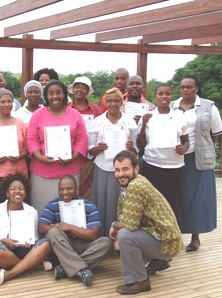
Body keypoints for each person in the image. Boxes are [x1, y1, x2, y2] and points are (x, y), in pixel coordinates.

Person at [110, 150, 183, 294]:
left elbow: (129, 225)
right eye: (117, 170)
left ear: (136, 168)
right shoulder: (134, 181)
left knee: (125, 235)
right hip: (161, 236)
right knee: (123, 236)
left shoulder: (136, 186)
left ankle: (140, 281)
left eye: (125, 169)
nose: (120, 174)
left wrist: (114, 227)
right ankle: (157, 261)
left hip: (167, 242)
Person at [170, 75, 222, 252]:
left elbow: (215, 134)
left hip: (198, 161)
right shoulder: (172, 107)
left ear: (196, 89)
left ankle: (195, 238)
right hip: (176, 160)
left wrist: (203, 149)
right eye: (182, 87)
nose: (185, 90)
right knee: (178, 198)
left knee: (198, 200)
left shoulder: (209, 107)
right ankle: (174, 236)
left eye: (189, 87)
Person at [26, 80, 88, 214]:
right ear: (46, 96)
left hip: (69, 169)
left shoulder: (75, 114)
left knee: (68, 210)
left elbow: (82, 139)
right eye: (51, 93)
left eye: (59, 93)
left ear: (64, 94)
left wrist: (73, 157)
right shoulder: (38, 114)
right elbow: (31, 139)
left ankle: (67, 233)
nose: (55, 96)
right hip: (42, 171)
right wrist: (39, 157)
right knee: (42, 208)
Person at [39, 175, 112, 286]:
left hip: (84, 245)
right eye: (61, 189)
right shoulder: (52, 205)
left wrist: (70, 227)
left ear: (76, 189)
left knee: (106, 243)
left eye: (69, 189)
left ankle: (65, 268)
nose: (65, 192)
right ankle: (81, 270)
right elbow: (41, 227)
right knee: (53, 232)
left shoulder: (89, 206)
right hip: (63, 245)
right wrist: (61, 229)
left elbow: (93, 234)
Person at [137, 83, 189, 227]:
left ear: (172, 96)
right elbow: (140, 145)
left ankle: (172, 235)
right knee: (154, 202)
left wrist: (183, 149)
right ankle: (155, 236)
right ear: (155, 96)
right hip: (153, 165)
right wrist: (143, 125)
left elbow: (186, 141)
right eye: (161, 94)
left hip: (175, 166)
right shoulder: (148, 116)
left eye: (167, 94)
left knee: (174, 202)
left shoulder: (179, 116)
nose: (164, 97)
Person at [88, 88, 138, 236]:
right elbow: (90, 149)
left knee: (122, 203)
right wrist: (99, 147)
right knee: (103, 202)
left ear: (121, 102)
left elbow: (136, 149)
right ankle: (103, 236)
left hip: (125, 170)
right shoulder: (97, 122)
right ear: (105, 102)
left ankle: (121, 237)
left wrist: (131, 147)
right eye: (109, 101)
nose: (113, 103)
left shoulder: (129, 121)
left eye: (116, 100)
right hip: (103, 167)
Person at [0, 173, 52, 285]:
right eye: (13, 189)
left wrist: (29, 242)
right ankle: (34, 266)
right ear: (7, 193)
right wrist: (3, 239)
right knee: (0, 253)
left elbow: (35, 237)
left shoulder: (32, 211)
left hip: (25, 249)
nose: (17, 191)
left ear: (25, 193)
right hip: (5, 248)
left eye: (21, 189)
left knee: (46, 244)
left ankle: (10, 274)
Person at [67, 76, 102, 199]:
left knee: (88, 188)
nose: (80, 90)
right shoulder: (66, 108)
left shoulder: (96, 110)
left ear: (88, 91)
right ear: (73, 89)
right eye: (77, 87)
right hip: (70, 154)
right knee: (70, 185)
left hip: (89, 157)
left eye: (83, 88)